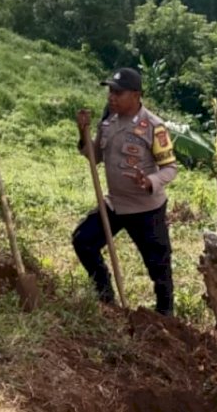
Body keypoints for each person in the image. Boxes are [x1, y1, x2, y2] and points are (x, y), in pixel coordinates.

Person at [73, 68, 177, 316]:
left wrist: (150, 180)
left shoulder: (153, 126)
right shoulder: (108, 122)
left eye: (118, 92)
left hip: (146, 208)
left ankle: (165, 314)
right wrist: (83, 132)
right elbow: (94, 157)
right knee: (83, 240)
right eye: (110, 91)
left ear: (136, 95)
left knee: (158, 265)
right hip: (115, 204)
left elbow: (170, 168)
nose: (112, 97)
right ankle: (104, 294)